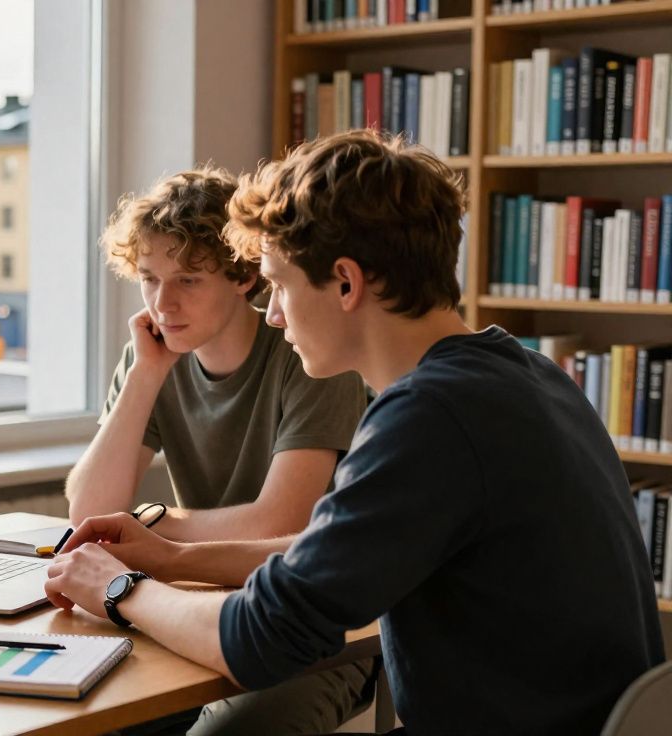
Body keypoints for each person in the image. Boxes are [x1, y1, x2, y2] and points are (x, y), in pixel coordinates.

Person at [46, 130, 664, 735]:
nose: (276, 312)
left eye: (281, 284)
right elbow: (334, 551)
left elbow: (262, 637)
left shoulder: (429, 418)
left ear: (346, 282)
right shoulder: (521, 374)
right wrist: (174, 557)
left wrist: (120, 588)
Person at [66, 165, 369, 735]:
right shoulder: (152, 358)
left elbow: (279, 522)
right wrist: (144, 378)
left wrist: (153, 532)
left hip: (319, 626)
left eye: (188, 280)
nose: (163, 304)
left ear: (243, 277)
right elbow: (88, 512)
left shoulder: (308, 355)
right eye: (150, 279)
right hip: (194, 607)